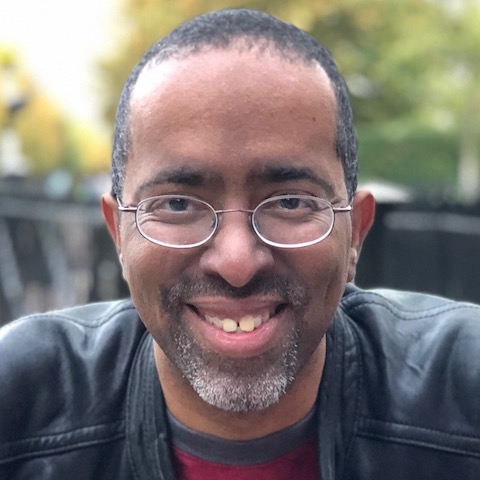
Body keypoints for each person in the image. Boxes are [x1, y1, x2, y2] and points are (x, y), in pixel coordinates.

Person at [1, 8, 480, 480]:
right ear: (118, 234)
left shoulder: (463, 392)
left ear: (355, 231)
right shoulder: (19, 403)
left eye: (290, 202)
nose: (236, 262)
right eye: (176, 205)